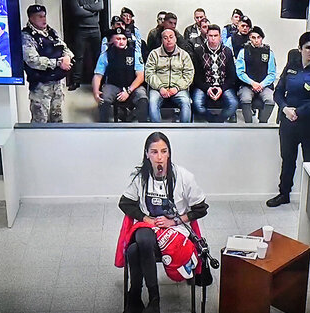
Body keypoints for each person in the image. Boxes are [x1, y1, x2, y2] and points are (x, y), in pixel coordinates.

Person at [118, 131, 209, 313]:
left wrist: (174, 221)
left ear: (169, 153)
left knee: (135, 249)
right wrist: (146, 219)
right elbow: (125, 203)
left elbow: (201, 208)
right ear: (146, 154)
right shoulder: (140, 177)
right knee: (143, 235)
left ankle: (136, 294)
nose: (159, 157)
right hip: (148, 230)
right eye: (154, 152)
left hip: (175, 233)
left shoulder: (184, 176)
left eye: (163, 151)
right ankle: (154, 301)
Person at [266, 31, 310, 207]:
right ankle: (284, 193)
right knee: (287, 159)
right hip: (288, 122)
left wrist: (298, 112)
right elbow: (278, 92)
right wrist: (285, 109)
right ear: (300, 49)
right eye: (307, 48)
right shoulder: (291, 67)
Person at [22, 4, 74, 123]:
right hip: (41, 86)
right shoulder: (27, 36)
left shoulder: (51, 32)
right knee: (40, 120)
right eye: (39, 17)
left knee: (57, 117)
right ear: (31, 18)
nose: (44, 19)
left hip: (57, 83)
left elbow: (64, 47)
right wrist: (58, 62)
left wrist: (67, 57)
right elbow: (33, 61)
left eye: (44, 16)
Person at [92, 27, 148, 122]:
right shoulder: (105, 54)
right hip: (113, 85)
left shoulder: (135, 53)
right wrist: (95, 91)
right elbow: (97, 75)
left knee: (142, 98)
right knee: (104, 100)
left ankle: (143, 127)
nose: (121, 41)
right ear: (112, 40)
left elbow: (141, 76)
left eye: (124, 39)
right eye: (118, 39)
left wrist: (128, 91)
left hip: (133, 86)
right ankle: (104, 128)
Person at [145, 29, 194, 123]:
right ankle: (157, 131)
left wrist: (177, 87)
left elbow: (189, 74)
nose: (168, 40)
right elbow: (149, 73)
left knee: (185, 102)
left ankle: (185, 130)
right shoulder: (154, 54)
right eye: (165, 38)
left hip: (178, 89)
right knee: (152, 102)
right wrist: (160, 87)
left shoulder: (184, 55)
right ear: (162, 40)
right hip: (158, 89)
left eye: (171, 37)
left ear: (175, 39)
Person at [192, 24, 238, 122]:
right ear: (207, 36)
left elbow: (232, 76)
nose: (213, 38)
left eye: (215, 36)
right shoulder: (199, 51)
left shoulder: (227, 52)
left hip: (223, 85)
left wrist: (221, 88)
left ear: (220, 37)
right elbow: (196, 77)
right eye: (210, 36)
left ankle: (219, 120)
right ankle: (212, 120)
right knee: (197, 104)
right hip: (204, 86)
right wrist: (207, 88)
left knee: (233, 103)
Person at [236, 26, 276, 123]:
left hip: (264, 85)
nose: (256, 40)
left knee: (271, 100)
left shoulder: (269, 53)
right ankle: (248, 123)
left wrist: (261, 85)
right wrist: (252, 83)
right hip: (247, 85)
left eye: (258, 37)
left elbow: (272, 73)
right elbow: (240, 72)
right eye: (253, 37)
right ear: (249, 38)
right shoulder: (243, 52)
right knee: (245, 99)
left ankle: (263, 122)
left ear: (262, 38)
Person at [67, 0, 103, 91]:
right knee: (79, 56)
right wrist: (93, 11)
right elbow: (76, 11)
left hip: (95, 29)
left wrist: (84, 7)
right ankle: (76, 81)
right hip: (81, 29)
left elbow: (100, 6)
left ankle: (100, 81)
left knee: (98, 56)